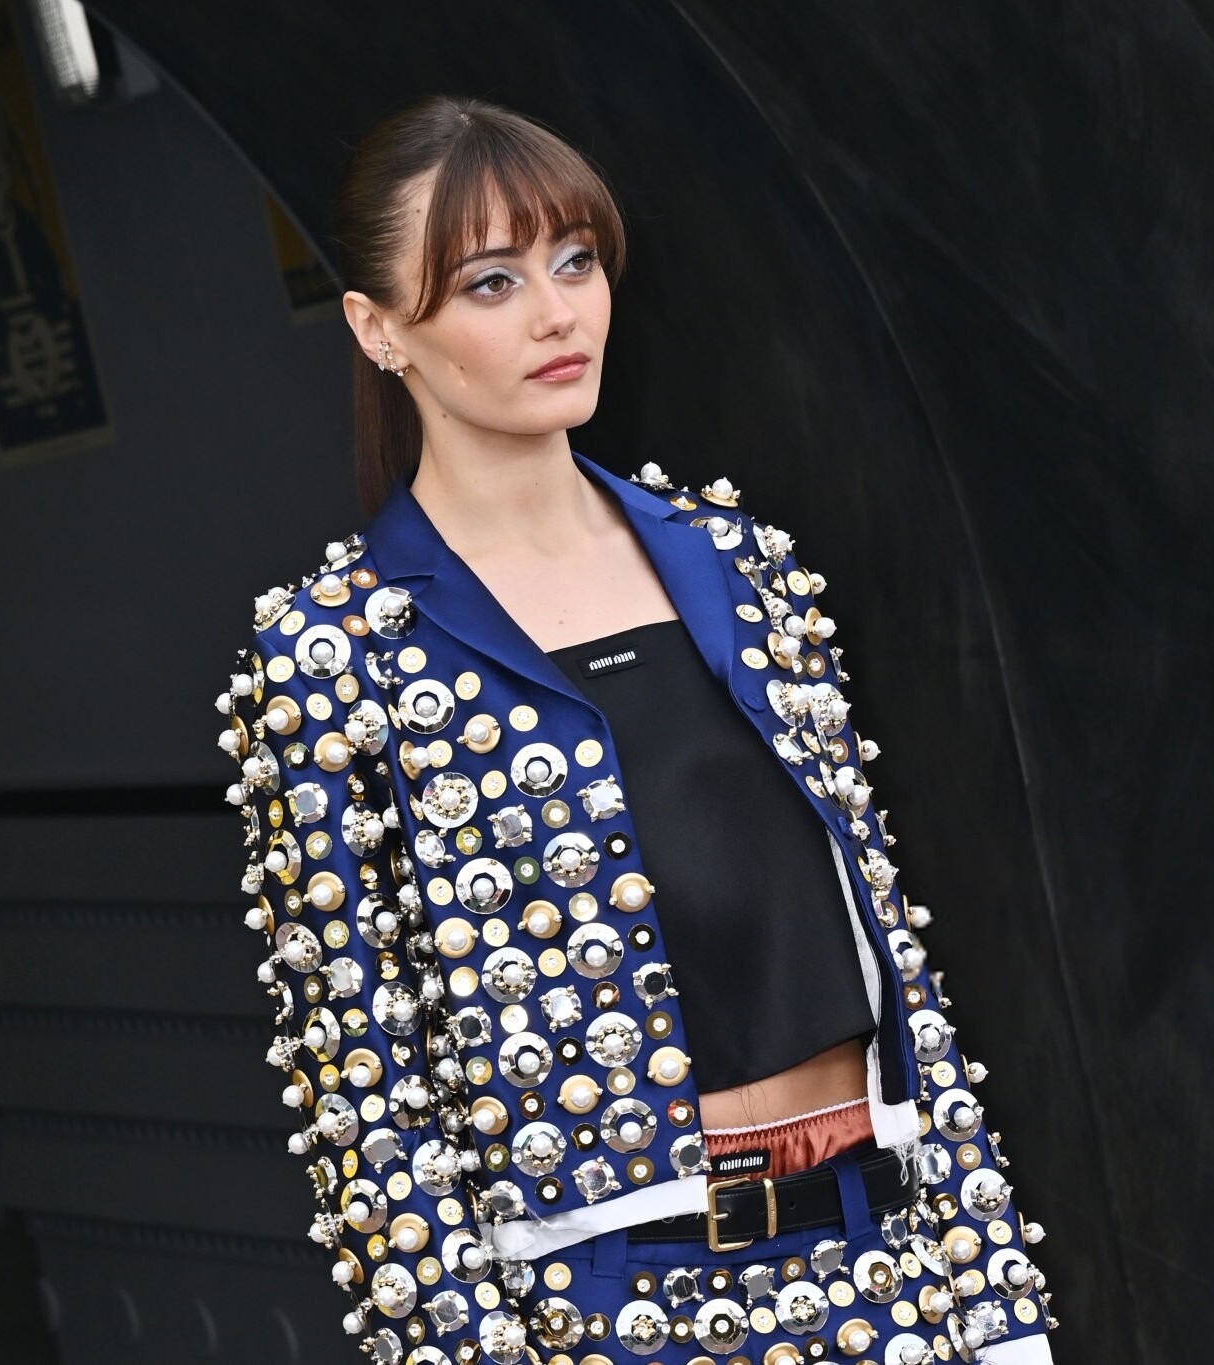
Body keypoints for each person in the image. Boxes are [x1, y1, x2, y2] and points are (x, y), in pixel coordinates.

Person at [216, 94, 1057, 1364]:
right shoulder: (338, 656)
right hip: (610, 1311)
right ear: (379, 328)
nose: (557, 313)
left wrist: (996, 1311)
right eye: (491, 282)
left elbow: (894, 957)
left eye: (575, 261)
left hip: (883, 1266)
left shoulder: (739, 564)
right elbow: (367, 1113)